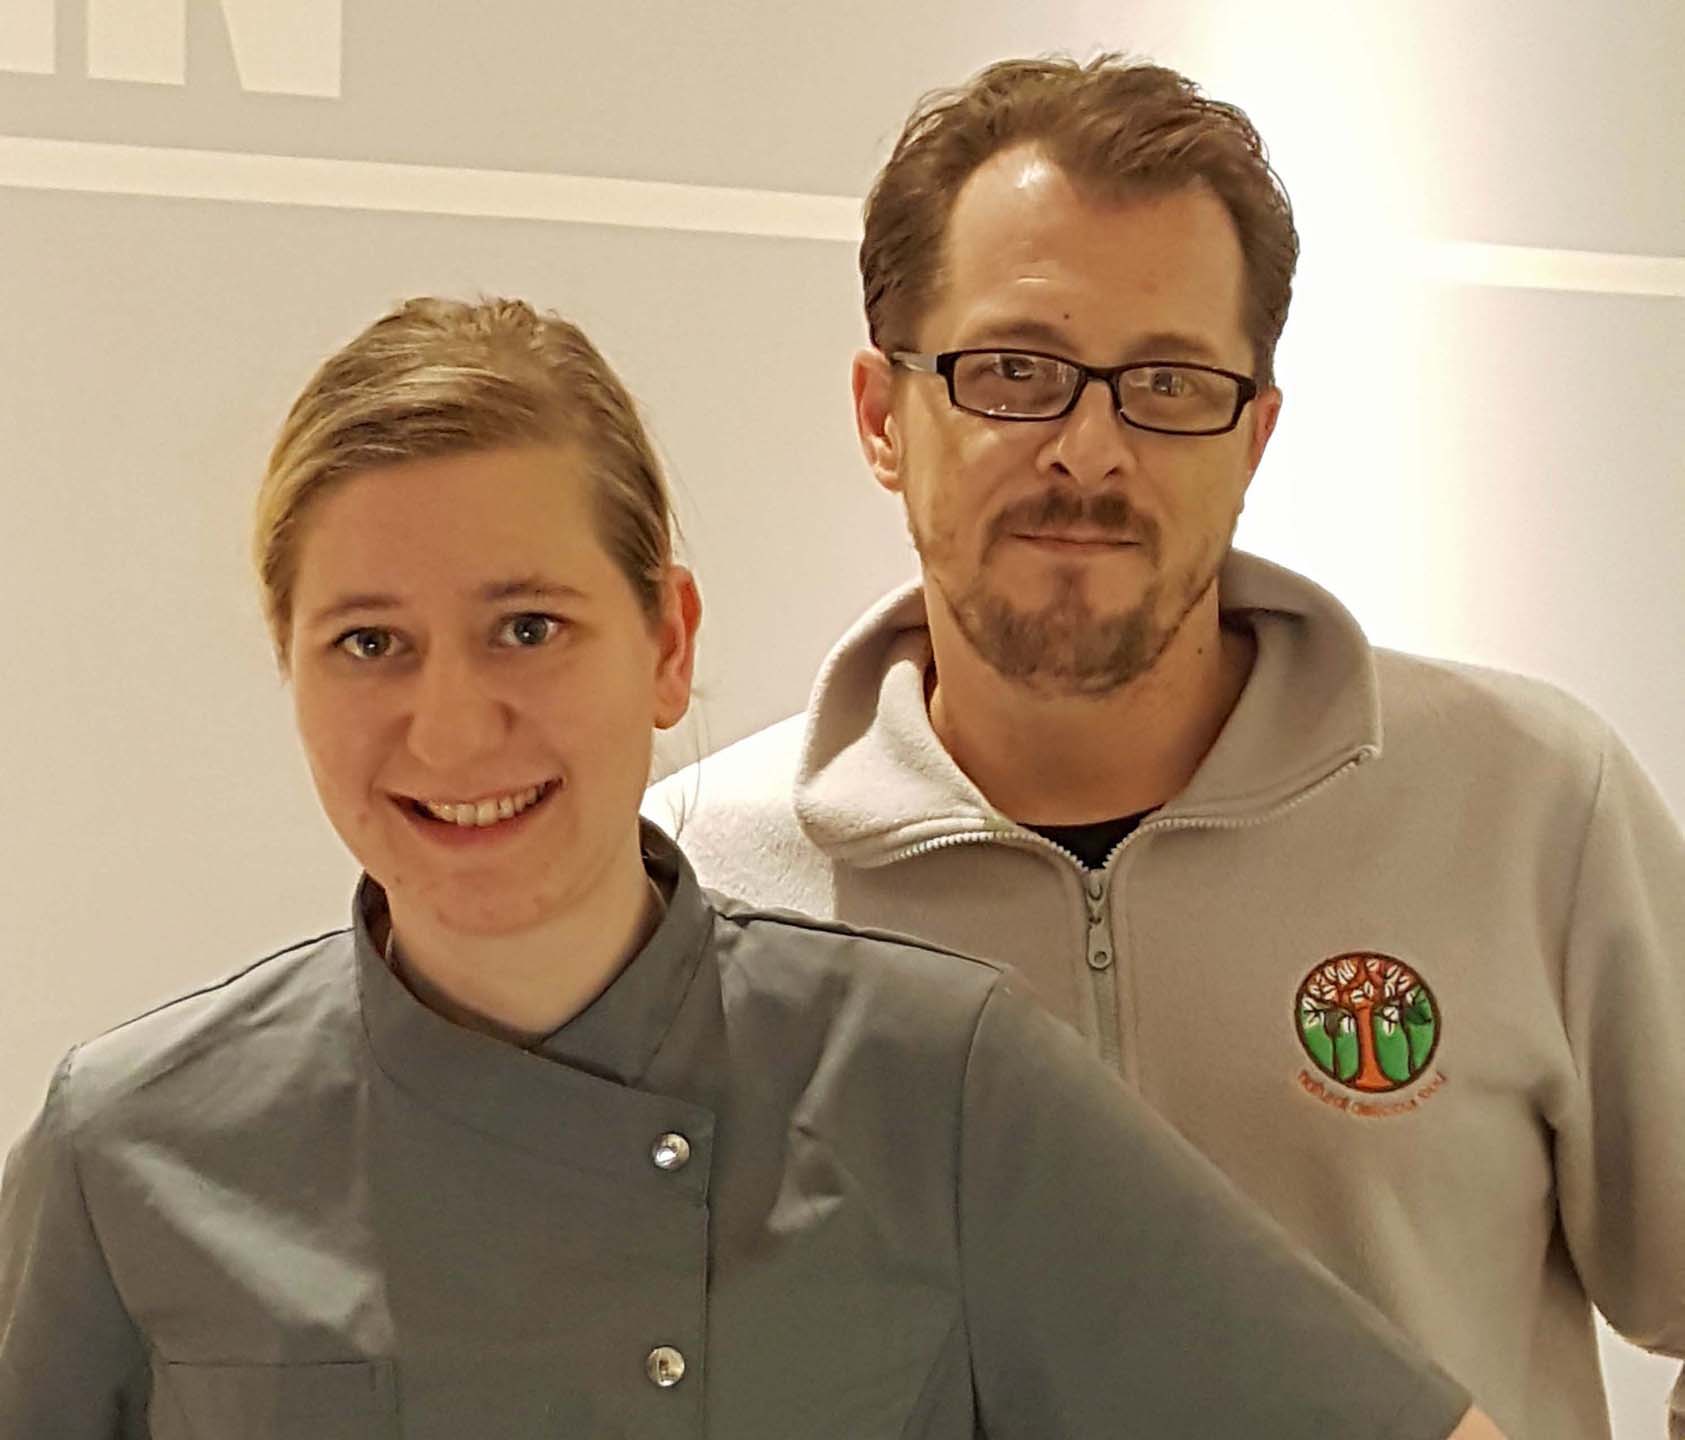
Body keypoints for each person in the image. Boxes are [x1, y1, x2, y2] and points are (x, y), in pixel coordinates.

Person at [0, 297, 1510, 1438]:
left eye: (528, 627)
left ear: (667, 644)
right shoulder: (131, 1145)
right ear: (290, 669)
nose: (451, 725)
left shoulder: (936, 1084)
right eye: (368, 643)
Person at [644, 55, 1685, 1440]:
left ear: (1253, 436)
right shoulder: (692, 890)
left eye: (1170, 382)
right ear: (882, 417)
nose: (1088, 450)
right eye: (1013, 373)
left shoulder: (1530, 808)